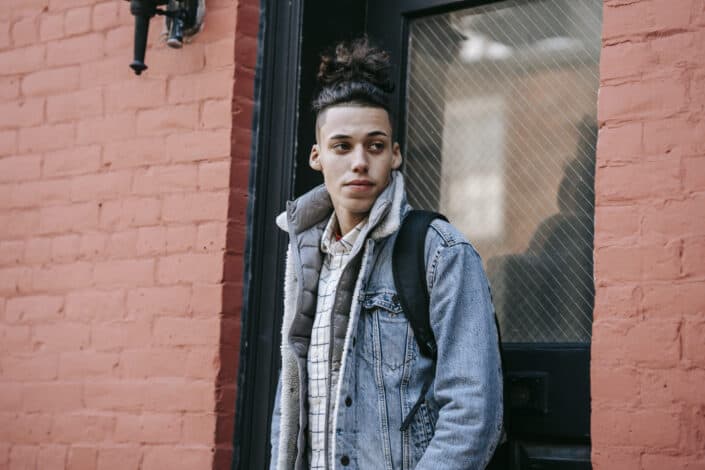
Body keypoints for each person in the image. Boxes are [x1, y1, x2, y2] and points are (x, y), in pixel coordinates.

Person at [269, 37, 503, 470]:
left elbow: (472, 416)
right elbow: (291, 401)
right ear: (317, 156)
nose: (359, 161)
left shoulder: (441, 252)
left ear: (394, 154)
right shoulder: (304, 257)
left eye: (374, 146)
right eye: (342, 146)